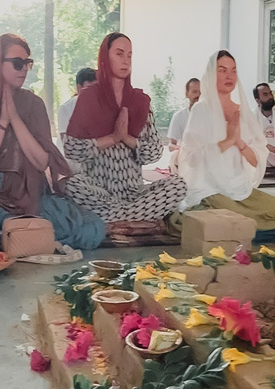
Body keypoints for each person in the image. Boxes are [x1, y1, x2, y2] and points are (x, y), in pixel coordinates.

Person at [0, 34, 109, 252]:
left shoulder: (34, 104)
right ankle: (19, 238)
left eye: (27, 63)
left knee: (92, 228)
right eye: (17, 63)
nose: (24, 70)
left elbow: (41, 162)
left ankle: (7, 238)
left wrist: (15, 119)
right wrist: (2, 123)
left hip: (32, 198)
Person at [60, 32, 187, 237]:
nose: (126, 60)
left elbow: (155, 152)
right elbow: (72, 150)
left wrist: (127, 138)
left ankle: (112, 220)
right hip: (98, 190)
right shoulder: (89, 99)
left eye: (129, 55)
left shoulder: (139, 101)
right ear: (105, 57)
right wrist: (112, 138)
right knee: (72, 185)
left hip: (134, 192)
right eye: (119, 54)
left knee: (178, 186)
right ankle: (137, 220)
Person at [173, 50, 275, 232]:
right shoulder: (201, 110)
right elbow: (190, 158)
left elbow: (256, 159)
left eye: (233, 70)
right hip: (209, 190)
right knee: (232, 218)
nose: (229, 76)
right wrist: (228, 141)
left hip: (239, 190)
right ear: (212, 75)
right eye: (222, 70)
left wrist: (240, 144)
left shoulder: (242, 112)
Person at [53, 65, 95, 134]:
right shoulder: (65, 108)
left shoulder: (104, 107)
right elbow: (65, 138)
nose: (94, 92)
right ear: (79, 88)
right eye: (89, 88)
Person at [167, 76, 203, 150]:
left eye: (200, 92)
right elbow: (171, 145)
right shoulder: (179, 116)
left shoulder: (211, 116)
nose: (198, 95)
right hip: (185, 155)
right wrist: (183, 150)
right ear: (187, 94)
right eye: (194, 92)